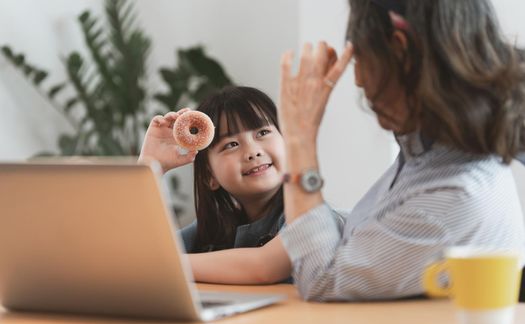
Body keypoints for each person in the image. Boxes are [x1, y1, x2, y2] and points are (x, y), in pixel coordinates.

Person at [189, 0, 525, 301]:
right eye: (230, 144)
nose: (360, 80)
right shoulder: (424, 157)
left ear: (400, 50)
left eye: (360, 58)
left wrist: (301, 137)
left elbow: (320, 277)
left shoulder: (454, 193)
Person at [139, 86, 290, 267]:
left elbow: (267, 264)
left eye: (262, 133)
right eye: (231, 144)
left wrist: (166, 264)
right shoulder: (212, 230)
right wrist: (150, 165)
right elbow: (140, 253)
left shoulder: (307, 214)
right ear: (209, 176)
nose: (252, 152)